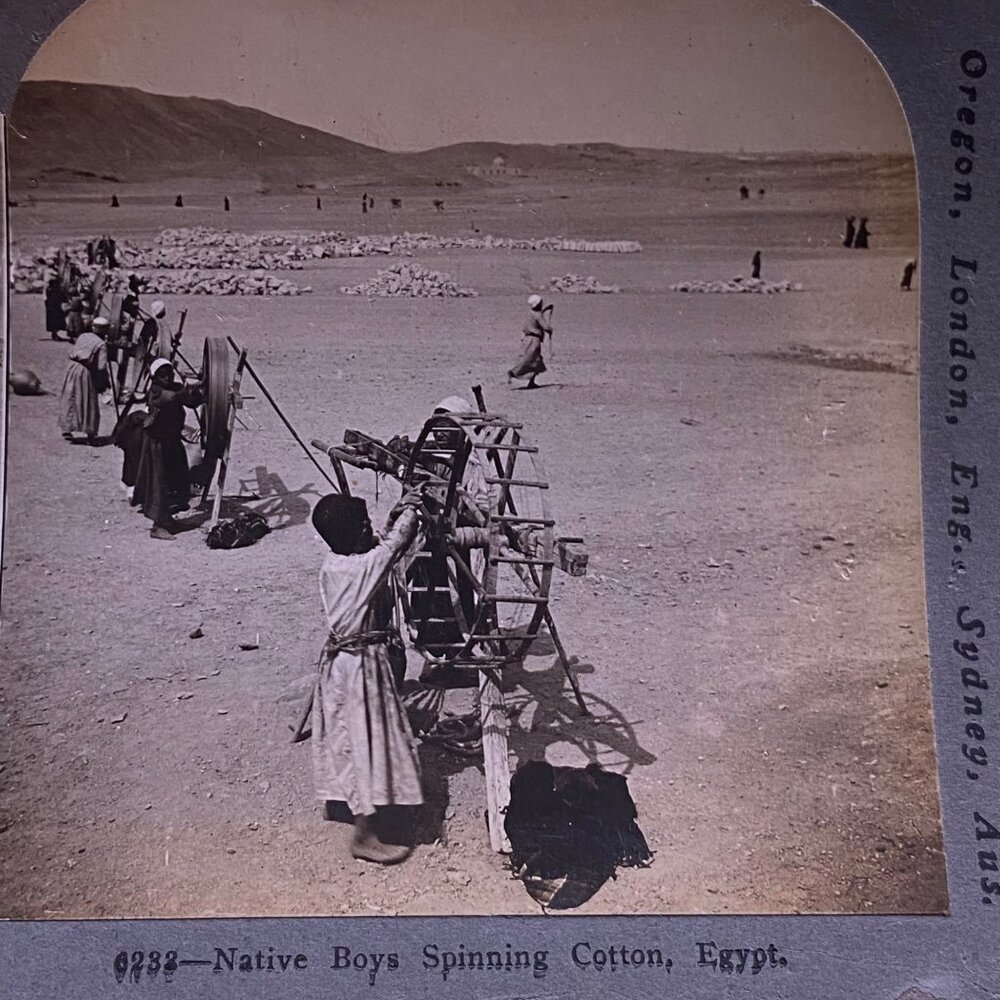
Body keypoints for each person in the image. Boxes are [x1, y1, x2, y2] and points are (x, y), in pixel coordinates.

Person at [310, 492, 427, 863]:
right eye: (363, 526)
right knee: (362, 742)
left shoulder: (334, 564)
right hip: (356, 669)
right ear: (348, 536)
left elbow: (380, 546)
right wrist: (412, 508)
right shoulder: (360, 569)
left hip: (351, 664)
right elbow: (394, 546)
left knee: (363, 737)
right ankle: (364, 835)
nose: (370, 530)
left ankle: (375, 804)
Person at [131, 358, 203, 540]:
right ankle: (158, 526)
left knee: (177, 479)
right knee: (159, 483)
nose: (167, 377)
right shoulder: (156, 391)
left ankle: (168, 520)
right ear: (155, 377)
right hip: (157, 442)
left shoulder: (175, 387)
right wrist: (188, 387)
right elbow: (170, 398)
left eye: (169, 372)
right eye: (162, 374)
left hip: (172, 441)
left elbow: (192, 401)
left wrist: (200, 389)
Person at [58, 316, 110, 444]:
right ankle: (91, 434)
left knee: (70, 397)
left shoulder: (83, 336)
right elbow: (101, 367)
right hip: (84, 371)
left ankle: (67, 428)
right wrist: (104, 382)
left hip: (72, 368)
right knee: (88, 400)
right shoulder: (101, 344)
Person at [507, 294, 552, 389]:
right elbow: (545, 327)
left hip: (528, 338)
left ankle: (531, 382)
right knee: (530, 359)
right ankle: (514, 372)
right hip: (534, 339)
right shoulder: (537, 315)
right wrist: (550, 329)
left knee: (536, 360)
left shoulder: (530, 313)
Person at [44, 271, 66, 340]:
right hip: (55, 308)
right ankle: (55, 335)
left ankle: (54, 334)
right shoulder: (57, 291)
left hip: (50, 308)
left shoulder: (49, 290)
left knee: (52, 322)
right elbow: (62, 297)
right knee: (56, 321)